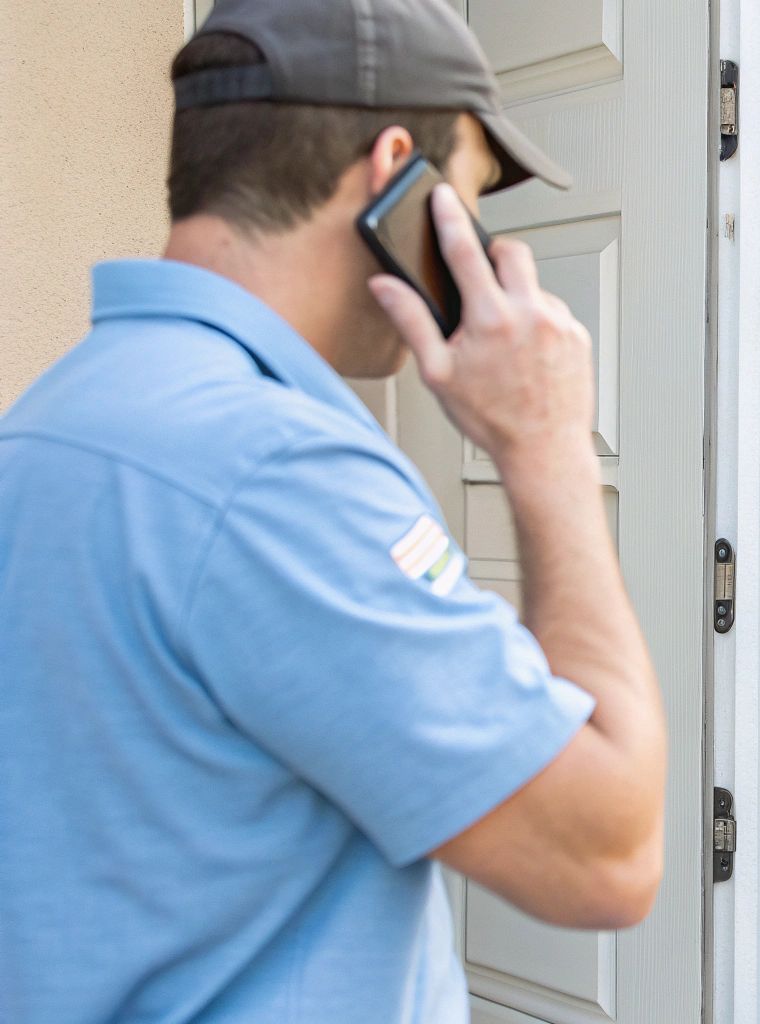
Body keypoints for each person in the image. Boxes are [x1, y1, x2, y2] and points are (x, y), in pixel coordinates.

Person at [0, 1, 667, 1021]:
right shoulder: (273, 471)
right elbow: (607, 855)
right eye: (472, 196)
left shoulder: (50, 421)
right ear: (395, 169)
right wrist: (548, 448)